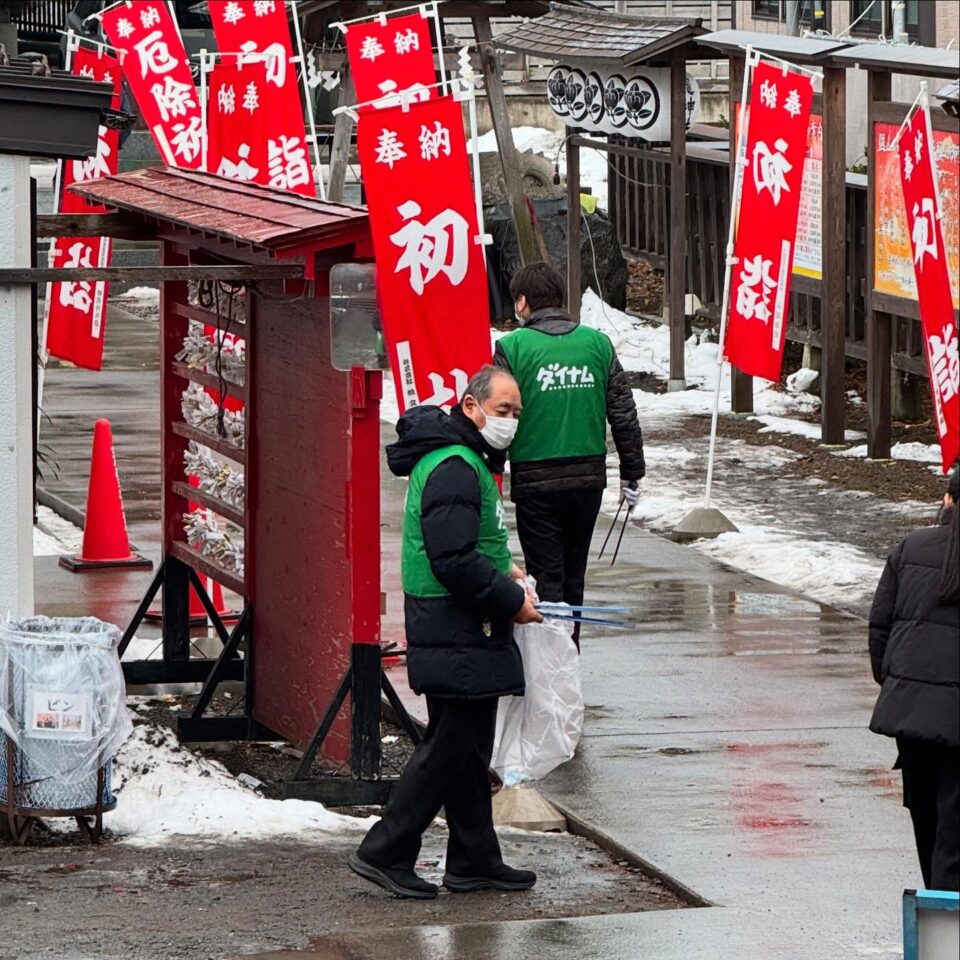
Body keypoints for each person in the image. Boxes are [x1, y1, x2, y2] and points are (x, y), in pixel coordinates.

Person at [349, 366, 543, 900]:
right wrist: (510, 601)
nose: (510, 422)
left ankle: (474, 859)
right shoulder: (457, 466)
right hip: (457, 622)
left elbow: (469, 544)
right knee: (451, 744)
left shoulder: (464, 459)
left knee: (468, 744)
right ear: (470, 407)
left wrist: (506, 571)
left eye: (516, 414)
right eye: (502, 411)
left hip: (457, 620)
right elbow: (453, 558)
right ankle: (385, 849)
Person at [494, 262, 645, 646]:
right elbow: (623, 413)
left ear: (523, 302)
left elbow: (497, 414)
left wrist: (489, 474)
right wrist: (633, 471)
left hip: (534, 479)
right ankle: (569, 657)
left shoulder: (511, 348)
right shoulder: (597, 344)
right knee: (574, 574)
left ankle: (553, 665)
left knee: (546, 577)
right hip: (587, 478)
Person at [869, 462, 960, 891]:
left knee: (927, 820)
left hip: (914, 716)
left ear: (948, 500)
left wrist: (899, 683)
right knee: (955, 839)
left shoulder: (911, 546)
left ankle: (936, 926)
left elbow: (880, 629)